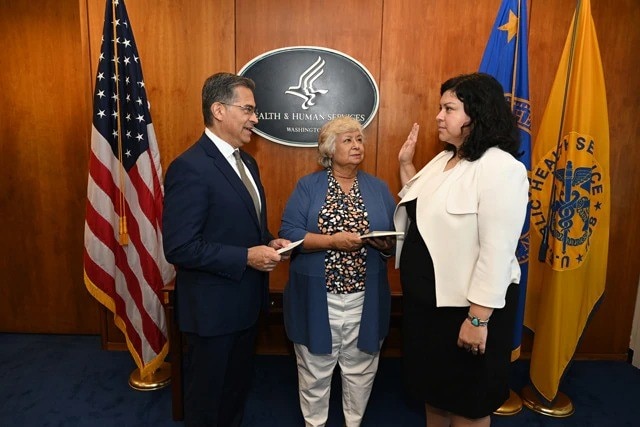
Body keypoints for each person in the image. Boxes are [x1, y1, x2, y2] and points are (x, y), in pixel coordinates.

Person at [394, 73, 528, 427]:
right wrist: (406, 165)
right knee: (434, 394)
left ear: (477, 114)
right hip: (429, 308)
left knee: (468, 402)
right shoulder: (444, 160)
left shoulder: (502, 168)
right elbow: (424, 207)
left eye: (449, 108)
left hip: (467, 312)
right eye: (441, 107)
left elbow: (497, 251)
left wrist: (477, 318)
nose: (439, 116)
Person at [162, 72, 290, 427]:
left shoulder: (246, 162)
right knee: (208, 402)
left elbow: (242, 225)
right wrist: (247, 256)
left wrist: (268, 240)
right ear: (218, 110)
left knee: (235, 394)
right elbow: (180, 246)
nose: (255, 118)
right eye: (248, 109)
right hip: (212, 314)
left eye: (255, 110)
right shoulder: (190, 168)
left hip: (247, 306)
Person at [279, 116, 397, 427]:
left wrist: (386, 245)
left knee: (361, 369)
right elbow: (289, 234)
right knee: (315, 369)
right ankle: (314, 423)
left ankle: (353, 422)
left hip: (365, 298)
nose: (357, 145)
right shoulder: (308, 186)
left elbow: (393, 240)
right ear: (329, 149)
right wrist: (333, 241)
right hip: (318, 298)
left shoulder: (378, 187)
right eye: (348, 140)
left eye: (359, 139)